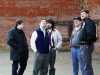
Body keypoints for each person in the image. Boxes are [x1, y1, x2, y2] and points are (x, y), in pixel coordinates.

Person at [79, 9, 97, 75]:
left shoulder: (89, 22)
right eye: (81, 14)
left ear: (87, 14)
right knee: (84, 64)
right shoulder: (84, 23)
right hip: (83, 45)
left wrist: (87, 43)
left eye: (83, 13)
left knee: (86, 65)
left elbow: (91, 34)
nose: (82, 15)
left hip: (86, 46)